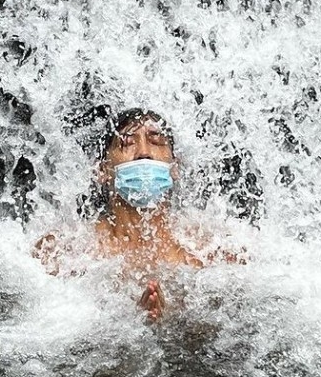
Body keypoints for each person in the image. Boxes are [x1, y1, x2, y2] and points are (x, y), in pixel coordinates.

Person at [34, 108, 241, 321]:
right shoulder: (66, 251)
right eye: (127, 143)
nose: (143, 152)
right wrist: (126, 320)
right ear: (102, 170)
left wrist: (174, 320)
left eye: (156, 142)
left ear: (175, 167)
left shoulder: (209, 250)